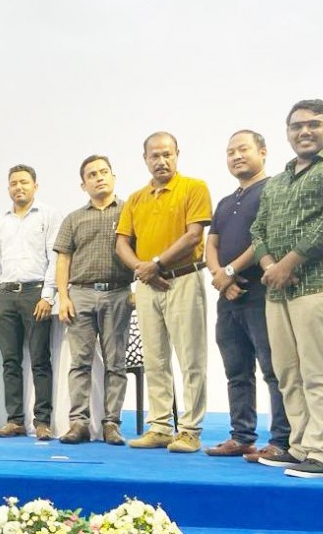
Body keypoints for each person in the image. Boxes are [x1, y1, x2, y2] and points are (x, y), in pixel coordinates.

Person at [251, 99, 323, 478]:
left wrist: (288, 263)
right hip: (278, 290)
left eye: (314, 124)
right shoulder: (278, 181)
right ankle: (300, 447)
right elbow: (257, 230)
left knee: (318, 369)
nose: (305, 131)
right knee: (287, 372)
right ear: (288, 132)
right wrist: (269, 266)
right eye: (297, 126)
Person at [116, 132, 212, 453]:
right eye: (155, 155)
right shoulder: (135, 199)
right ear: (145, 159)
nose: (161, 161)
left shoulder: (193, 188)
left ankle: (189, 430)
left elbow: (193, 235)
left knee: (191, 357)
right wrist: (143, 269)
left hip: (183, 279)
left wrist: (153, 264)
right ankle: (159, 427)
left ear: (177, 154)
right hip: (147, 285)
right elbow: (121, 244)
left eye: (167, 154)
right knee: (155, 358)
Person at [204, 131, 290, 461]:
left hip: (261, 293)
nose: (236, 156)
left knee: (273, 369)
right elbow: (211, 244)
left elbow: (264, 237)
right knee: (236, 371)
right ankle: (241, 436)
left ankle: (281, 440)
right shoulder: (226, 202)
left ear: (263, 152)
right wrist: (220, 276)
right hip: (228, 297)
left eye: (243, 149)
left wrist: (230, 272)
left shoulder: (273, 190)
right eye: (230, 151)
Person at [54, 156, 132, 446]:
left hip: (119, 292)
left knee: (116, 362)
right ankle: (79, 423)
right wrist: (63, 297)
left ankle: (111, 423)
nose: (98, 178)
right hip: (81, 294)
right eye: (91, 175)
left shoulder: (130, 211)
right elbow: (63, 260)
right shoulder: (73, 218)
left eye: (103, 172)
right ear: (83, 184)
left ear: (113, 176)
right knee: (80, 363)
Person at [0, 165, 61, 440]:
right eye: (14, 183)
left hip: (35, 293)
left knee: (40, 360)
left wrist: (47, 295)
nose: (19, 187)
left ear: (35, 186)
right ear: (8, 188)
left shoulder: (48, 216)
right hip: (6, 294)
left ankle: (43, 421)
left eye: (24, 182)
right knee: (10, 361)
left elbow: (55, 258)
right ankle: (15, 420)